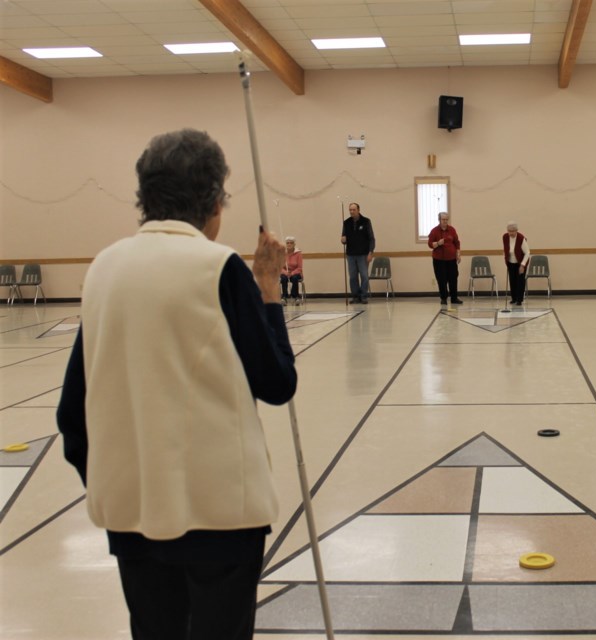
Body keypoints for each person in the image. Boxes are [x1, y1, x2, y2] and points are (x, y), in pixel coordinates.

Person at [56, 128, 297, 640]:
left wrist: (117, 486)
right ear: (214, 202)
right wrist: (269, 291)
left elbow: (71, 416)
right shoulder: (220, 268)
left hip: (133, 515)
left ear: (147, 198)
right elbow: (276, 382)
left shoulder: (103, 269)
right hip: (220, 516)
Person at [340, 202, 376, 304]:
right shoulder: (346, 223)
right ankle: (355, 296)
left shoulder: (366, 221)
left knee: (364, 276)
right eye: (350, 210)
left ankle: (363, 295)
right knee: (352, 276)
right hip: (350, 254)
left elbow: (371, 238)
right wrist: (343, 240)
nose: (352, 212)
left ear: (358, 210)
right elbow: (344, 237)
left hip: (363, 254)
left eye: (353, 210)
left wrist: (371, 252)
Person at [428, 211, 462, 305]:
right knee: (441, 279)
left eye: (447, 219)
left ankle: (454, 298)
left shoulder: (452, 230)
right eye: (443, 219)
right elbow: (430, 245)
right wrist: (438, 243)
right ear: (439, 220)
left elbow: (457, 242)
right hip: (439, 260)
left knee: (453, 278)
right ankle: (443, 298)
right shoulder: (434, 231)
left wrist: (458, 254)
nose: (445, 221)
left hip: (451, 259)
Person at [502, 222, 530, 305]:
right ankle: (513, 298)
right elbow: (506, 248)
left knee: (520, 281)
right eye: (509, 231)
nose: (511, 233)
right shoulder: (505, 237)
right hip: (510, 262)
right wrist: (505, 257)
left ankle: (519, 299)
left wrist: (522, 265)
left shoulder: (521, 238)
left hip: (521, 262)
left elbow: (527, 253)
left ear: (517, 230)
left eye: (513, 231)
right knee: (512, 280)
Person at [280, 235, 303, 305]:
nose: (289, 244)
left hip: (296, 273)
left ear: (294, 244)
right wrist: (285, 272)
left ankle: (296, 296)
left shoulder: (298, 254)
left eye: (291, 243)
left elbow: (299, 268)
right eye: (287, 243)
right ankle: (284, 297)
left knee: (295, 278)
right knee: (283, 278)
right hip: (285, 273)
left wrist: (292, 273)